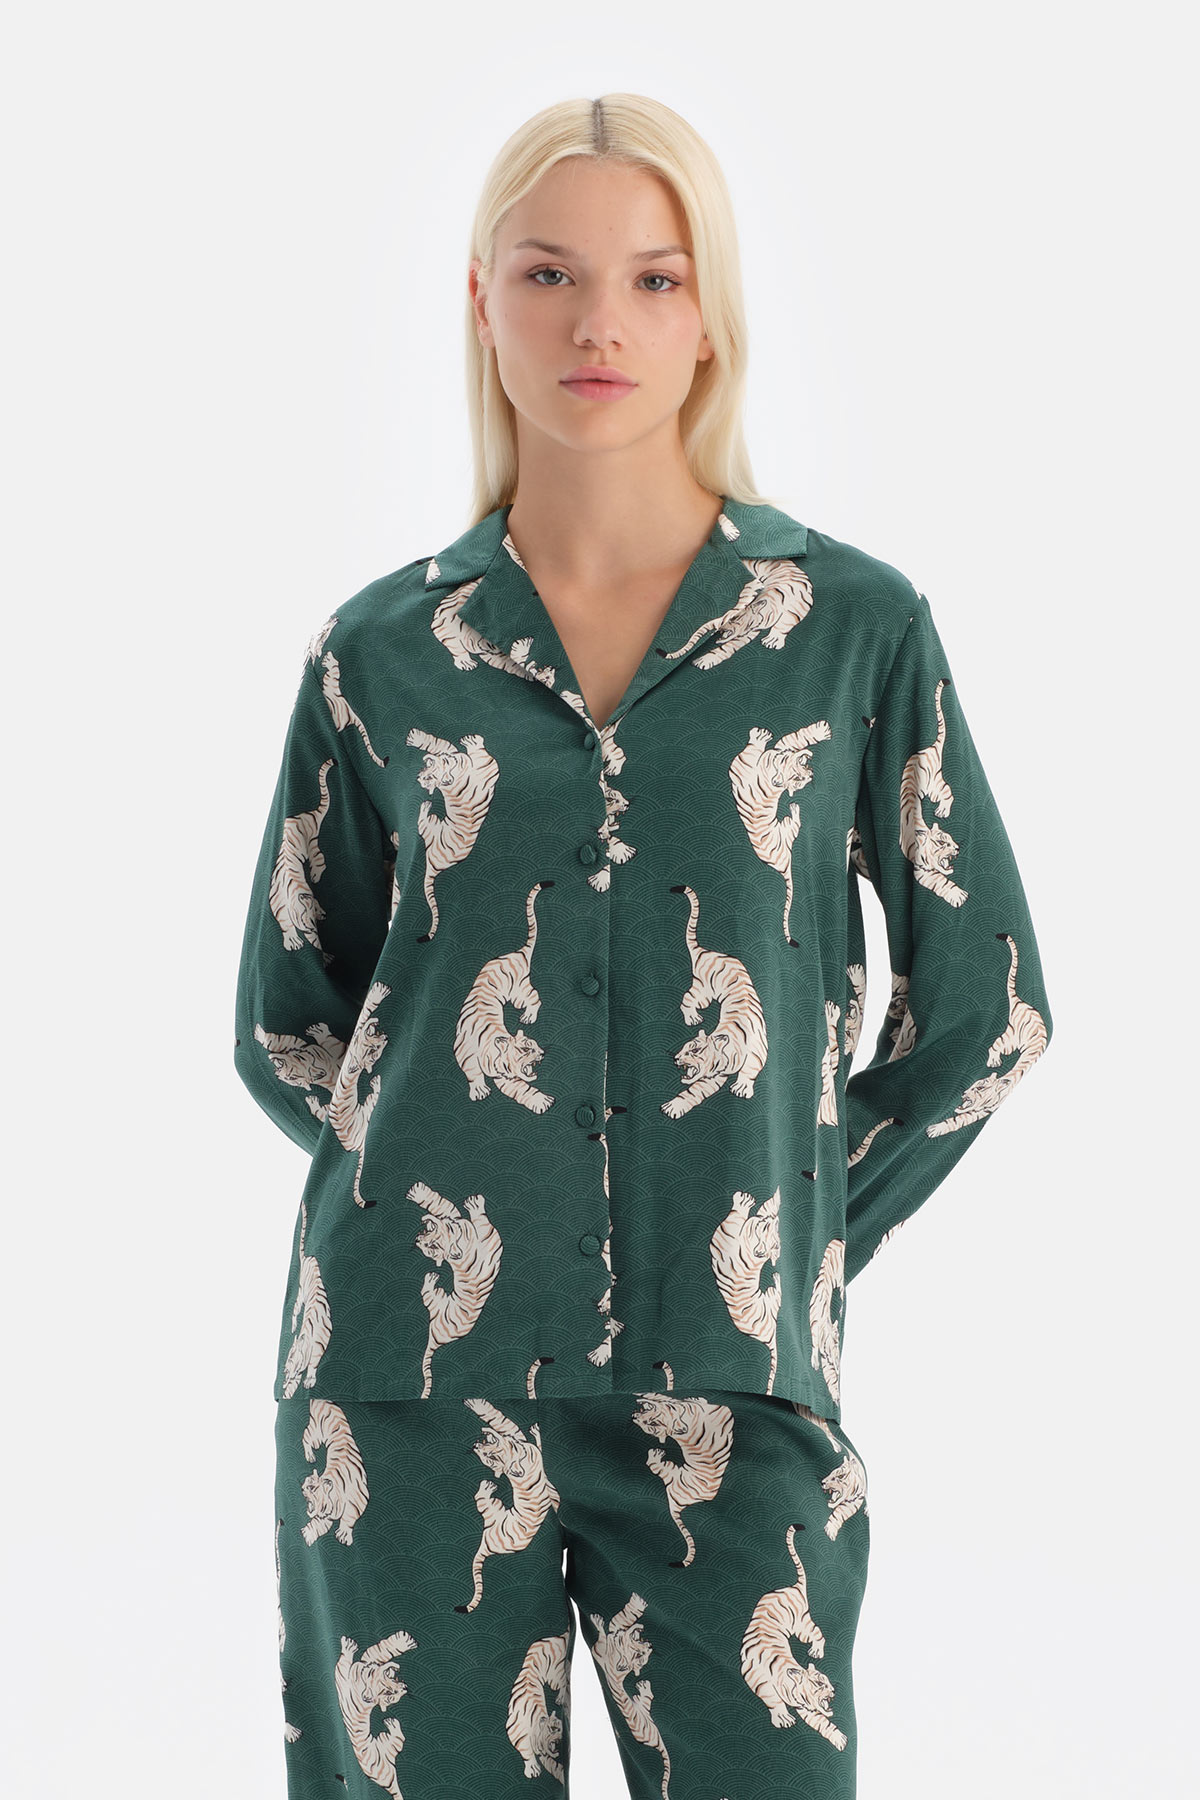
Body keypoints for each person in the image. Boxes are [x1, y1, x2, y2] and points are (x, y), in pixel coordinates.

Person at [235, 93, 1054, 1800]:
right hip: (405, 1395)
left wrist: (787, 1226)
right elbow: (292, 1017)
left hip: (734, 1398)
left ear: (708, 317)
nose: (597, 322)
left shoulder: (849, 631)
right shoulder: (381, 653)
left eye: (653, 278)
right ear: (482, 302)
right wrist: (471, 1186)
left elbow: (988, 1015)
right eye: (549, 274)